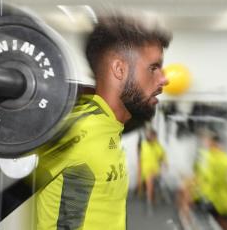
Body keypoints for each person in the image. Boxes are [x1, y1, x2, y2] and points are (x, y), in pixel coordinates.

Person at [36, 12, 171, 230]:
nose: (164, 79)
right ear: (119, 69)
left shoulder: (110, 124)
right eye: (153, 68)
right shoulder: (76, 130)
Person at [138, 128, 167, 212]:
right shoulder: (143, 145)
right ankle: (149, 203)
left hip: (155, 170)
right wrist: (139, 173)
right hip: (146, 170)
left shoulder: (157, 145)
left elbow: (162, 154)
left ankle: (152, 199)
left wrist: (165, 162)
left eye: (155, 137)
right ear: (150, 136)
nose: (155, 139)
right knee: (150, 184)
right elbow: (140, 160)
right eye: (153, 137)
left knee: (153, 185)